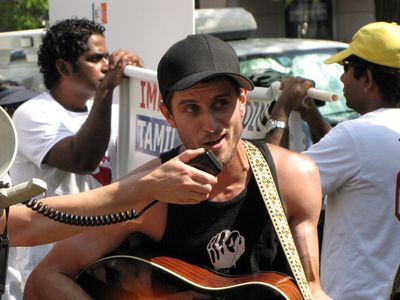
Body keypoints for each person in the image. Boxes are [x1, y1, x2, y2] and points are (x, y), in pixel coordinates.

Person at [24, 33, 329, 299]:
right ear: (168, 114)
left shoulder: (295, 178)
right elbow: (44, 281)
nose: (210, 124)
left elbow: (311, 290)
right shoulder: (151, 194)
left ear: (243, 100)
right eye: (191, 108)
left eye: (221, 103)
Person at [7, 17, 144, 297]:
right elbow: (82, 161)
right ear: (63, 68)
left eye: (108, 56)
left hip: (99, 266)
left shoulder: (109, 112)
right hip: (44, 273)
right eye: (95, 58)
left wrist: (141, 90)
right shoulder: (33, 114)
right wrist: (107, 92)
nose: (107, 65)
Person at [265, 21, 400, 299]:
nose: (341, 80)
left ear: (368, 78)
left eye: (345, 69)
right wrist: (313, 117)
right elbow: (355, 165)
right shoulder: (362, 137)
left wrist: (282, 110)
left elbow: (272, 186)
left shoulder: (356, 136)